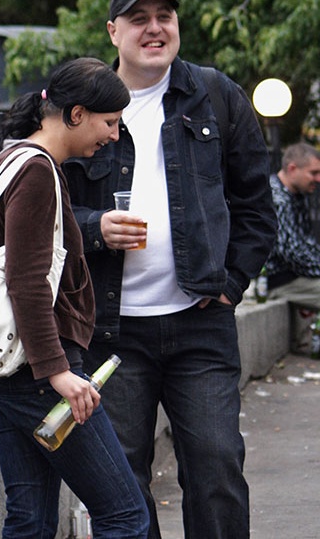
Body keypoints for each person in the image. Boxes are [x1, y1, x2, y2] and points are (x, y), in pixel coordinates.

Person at [63, 1, 277, 538]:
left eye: (166, 15)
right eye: (139, 18)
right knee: (123, 480)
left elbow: (256, 206)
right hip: (111, 334)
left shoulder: (217, 96)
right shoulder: (80, 100)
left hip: (199, 322)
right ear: (113, 31)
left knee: (217, 469)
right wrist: (95, 227)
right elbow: (43, 202)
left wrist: (230, 284)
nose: (155, 29)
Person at [0, 57, 149, 538]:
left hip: (4, 371)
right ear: (75, 114)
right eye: (109, 123)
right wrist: (58, 371)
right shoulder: (38, 170)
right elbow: (24, 280)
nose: (112, 136)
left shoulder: (8, 158)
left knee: (30, 519)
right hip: (37, 375)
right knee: (125, 515)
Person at [264, 143, 320, 305]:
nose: (318, 179)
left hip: (296, 279)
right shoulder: (277, 199)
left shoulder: (295, 195)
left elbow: (307, 244)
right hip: (280, 282)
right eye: (314, 173)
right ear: (292, 169)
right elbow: (291, 253)